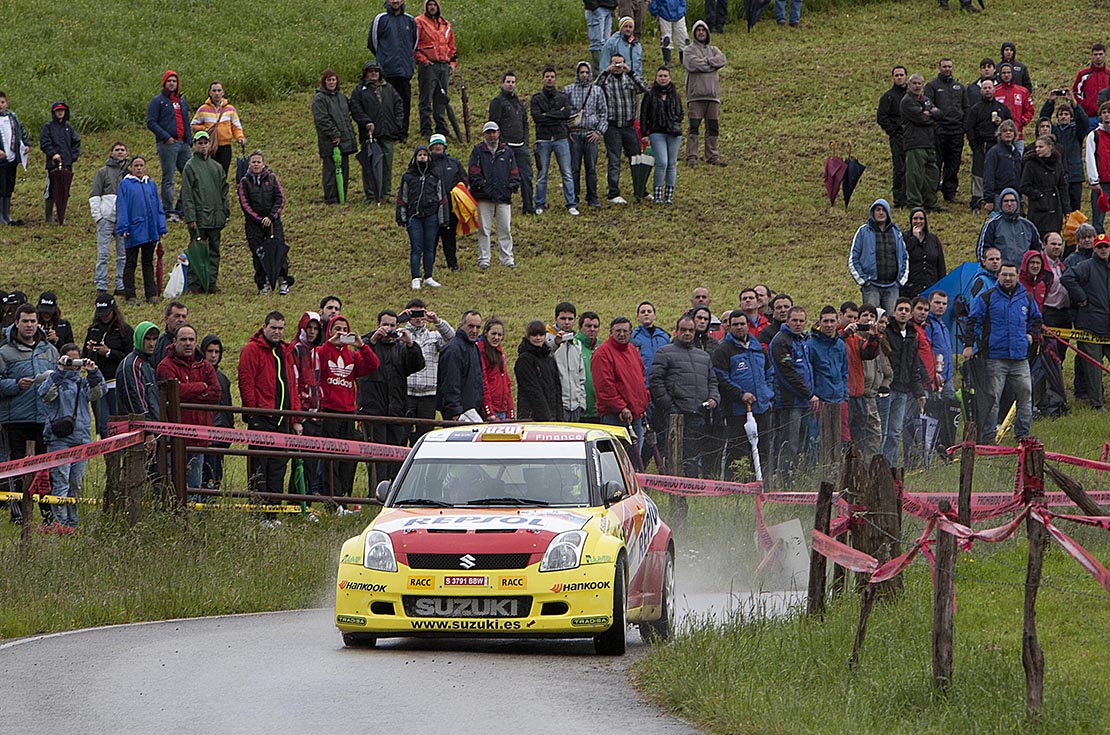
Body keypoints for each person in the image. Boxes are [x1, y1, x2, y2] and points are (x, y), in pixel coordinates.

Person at [962, 263, 1042, 440]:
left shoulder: (1026, 298)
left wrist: (1031, 335)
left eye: (1011, 275)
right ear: (998, 276)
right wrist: (969, 345)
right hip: (995, 357)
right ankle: (988, 437)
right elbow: (973, 321)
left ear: (1017, 277)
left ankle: (1023, 435)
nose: (1008, 278)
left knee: (1026, 397)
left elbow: (1037, 319)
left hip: (1020, 358)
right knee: (992, 400)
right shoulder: (987, 297)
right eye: (1004, 275)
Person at [1, 305, 60, 525]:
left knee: (45, 469)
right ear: (16, 323)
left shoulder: (50, 350)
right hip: (15, 418)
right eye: (25, 321)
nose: (29, 325)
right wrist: (15, 385)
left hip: (44, 418)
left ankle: (48, 514)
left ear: (38, 324)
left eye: (32, 321)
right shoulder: (4, 352)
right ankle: (18, 514)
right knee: (15, 467)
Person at [37, 343, 104, 531]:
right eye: (69, 359)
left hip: (81, 438)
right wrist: (60, 371)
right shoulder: (53, 378)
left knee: (76, 484)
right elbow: (44, 394)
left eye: (76, 360)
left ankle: (72, 525)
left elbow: (99, 392)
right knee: (61, 481)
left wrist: (93, 373)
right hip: (59, 438)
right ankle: (60, 523)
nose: (73, 364)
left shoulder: (83, 382)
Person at [239, 311, 303, 495]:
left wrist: (296, 418)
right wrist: (252, 413)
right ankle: (259, 510)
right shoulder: (252, 350)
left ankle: (273, 512)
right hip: (263, 417)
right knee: (259, 466)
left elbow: (292, 384)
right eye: (273, 328)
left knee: (278, 466)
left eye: (281, 328)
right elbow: (246, 382)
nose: (277, 332)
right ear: (265, 327)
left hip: (283, 419)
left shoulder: (286, 351)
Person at [316, 315, 380, 497]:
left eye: (344, 329)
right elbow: (318, 360)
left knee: (347, 458)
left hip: (348, 412)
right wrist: (330, 343)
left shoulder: (352, 354)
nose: (341, 332)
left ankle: (343, 495)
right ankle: (331, 497)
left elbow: (373, 365)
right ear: (330, 330)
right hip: (329, 411)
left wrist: (362, 345)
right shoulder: (323, 350)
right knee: (331, 459)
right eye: (337, 328)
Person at [649, 313, 719, 478]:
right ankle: (673, 489)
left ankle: (692, 489)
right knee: (673, 454)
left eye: (690, 330)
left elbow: (713, 381)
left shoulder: (704, 356)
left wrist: (714, 398)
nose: (687, 333)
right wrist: (669, 406)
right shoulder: (664, 352)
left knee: (693, 455)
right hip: (675, 414)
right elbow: (655, 381)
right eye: (683, 330)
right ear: (676, 331)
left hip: (698, 413)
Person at [359, 310, 425, 480]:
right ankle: (376, 493)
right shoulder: (368, 344)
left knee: (396, 456)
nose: (388, 329)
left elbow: (417, 364)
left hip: (396, 410)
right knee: (377, 457)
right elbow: (359, 357)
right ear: (377, 326)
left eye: (392, 325)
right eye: (384, 325)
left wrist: (411, 344)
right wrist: (373, 340)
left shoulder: (402, 348)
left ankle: (393, 492)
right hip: (374, 411)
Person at [156, 323, 220, 492]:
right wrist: (201, 387)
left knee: (194, 485)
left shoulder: (204, 365)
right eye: (183, 339)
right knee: (172, 484)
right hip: (174, 436)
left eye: (191, 339)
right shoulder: (165, 365)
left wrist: (187, 390)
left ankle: (192, 517)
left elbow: (216, 392)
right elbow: (173, 392)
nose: (188, 343)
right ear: (175, 341)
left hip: (198, 434)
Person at [712, 311, 773, 481]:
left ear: (748, 325)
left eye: (742, 324)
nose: (739, 327)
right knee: (738, 449)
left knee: (763, 449)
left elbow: (769, 373)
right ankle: (735, 485)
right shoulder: (723, 350)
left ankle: (762, 483)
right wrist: (740, 394)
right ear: (729, 326)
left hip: (760, 408)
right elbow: (721, 377)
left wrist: (768, 394)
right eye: (735, 324)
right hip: (737, 411)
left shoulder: (758, 348)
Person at [1060, 233, 1110, 411]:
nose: (1103, 250)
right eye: (1100, 247)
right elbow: (1066, 278)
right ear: (1094, 249)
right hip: (1090, 325)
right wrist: (1081, 297)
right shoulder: (1086, 266)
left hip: (1108, 326)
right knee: (1093, 368)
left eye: (1106, 246)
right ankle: (1097, 403)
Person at [592, 316, 651, 453]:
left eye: (625, 331)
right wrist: (621, 407)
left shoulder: (631, 350)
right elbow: (604, 386)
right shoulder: (602, 353)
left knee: (635, 459)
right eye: (618, 331)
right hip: (616, 415)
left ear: (631, 333)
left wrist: (644, 402)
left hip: (636, 414)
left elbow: (641, 377)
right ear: (610, 332)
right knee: (618, 458)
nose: (622, 334)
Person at [880, 298, 928, 466]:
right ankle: (880, 466)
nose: (903, 312)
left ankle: (891, 469)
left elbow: (914, 365)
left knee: (894, 432)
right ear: (894, 312)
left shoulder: (912, 334)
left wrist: (919, 392)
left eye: (907, 310)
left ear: (910, 314)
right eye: (900, 309)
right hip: (886, 388)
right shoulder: (886, 332)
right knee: (883, 432)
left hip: (903, 389)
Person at [350, 61, 406, 203]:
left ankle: (385, 194)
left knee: (387, 166)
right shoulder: (359, 91)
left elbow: (399, 104)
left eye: (376, 71)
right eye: (371, 71)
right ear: (365, 74)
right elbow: (356, 109)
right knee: (370, 166)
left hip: (387, 133)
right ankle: (371, 195)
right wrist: (366, 122)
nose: (374, 73)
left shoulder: (388, 88)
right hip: (369, 135)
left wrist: (397, 123)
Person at [770, 306, 815, 482]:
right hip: (789, 402)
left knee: (805, 444)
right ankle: (785, 480)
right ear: (787, 321)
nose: (798, 324)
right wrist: (808, 394)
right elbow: (787, 373)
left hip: (804, 401)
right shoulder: (781, 341)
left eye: (801, 321)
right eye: (794, 320)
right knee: (790, 444)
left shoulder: (802, 340)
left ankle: (800, 478)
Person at [181, 130, 229, 294]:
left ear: (210, 144)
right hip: (199, 218)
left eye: (205, 143)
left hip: (215, 217)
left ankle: (211, 283)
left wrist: (225, 211)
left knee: (214, 251)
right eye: (199, 143)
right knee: (197, 251)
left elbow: (224, 191)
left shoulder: (217, 167)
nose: (203, 146)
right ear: (194, 145)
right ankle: (195, 285)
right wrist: (191, 217)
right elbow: (186, 194)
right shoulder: (190, 166)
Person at [239, 150, 292, 295]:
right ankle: (263, 283)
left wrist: (271, 217)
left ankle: (283, 281)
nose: (256, 164)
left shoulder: (272, 178)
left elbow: (280, 199)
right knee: (258, 254)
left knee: (278, 252)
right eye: (253, 162)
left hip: (273, 223)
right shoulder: (244, 182)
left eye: (258, 162)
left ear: (263, 163)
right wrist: (259, 219)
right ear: (249, 164)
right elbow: (245, 204)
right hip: (253, 225)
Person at [115, 156, 167, 306]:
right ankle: (130, 295)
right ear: (131, 167)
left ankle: (151, 294)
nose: (138, 168)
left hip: (149, 231)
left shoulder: (150, 184)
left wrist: (160, 226)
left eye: (141, 165)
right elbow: (122, 207)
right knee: (130, 263)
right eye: (136, 165)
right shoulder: (125, 185)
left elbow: (157, 206)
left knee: (148, 263)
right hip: (133, 230)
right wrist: (124, 227)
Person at [597, 54, 648, 204]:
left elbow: (644, 88)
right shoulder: (606, 80)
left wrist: (630, 71)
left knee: (636, 159)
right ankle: (613, 193)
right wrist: (606, 71)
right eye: (615, 63)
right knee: (614, 160)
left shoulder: (630, 79)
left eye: (620, 63)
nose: (618, 67)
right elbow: (595, 89)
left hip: (629, 126)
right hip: (612, 126)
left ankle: (640, 189)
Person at [468, 122, 520, 269]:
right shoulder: (478, 151)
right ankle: (484, 258)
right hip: (484, 196)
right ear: (484, 134)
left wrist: (512, 185)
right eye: (488, 132)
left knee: (505, 229)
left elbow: (514, 171)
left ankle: (507, 258)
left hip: (503, 196)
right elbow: (473, 171)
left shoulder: (507, 151)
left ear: (498, 133)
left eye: (494, 132)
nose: (491, 135)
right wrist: (482, 186)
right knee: (484, 229)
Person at [401, 300, 454, 439]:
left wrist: (437, 321)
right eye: (414, 313)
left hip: (429, 395)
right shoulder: (400, 334)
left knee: (424, 435)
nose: (418, 318)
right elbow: (385, 336)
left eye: (421, 313)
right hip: (406, 392)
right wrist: (399, 320)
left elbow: (452, 339)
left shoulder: (434, 335)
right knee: (401, 433)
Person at [82, 293, 132, 437]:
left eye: (107, 314)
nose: (104, 317)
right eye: (101, 314)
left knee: (118, 424)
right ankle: (109, 458)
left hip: (116, 383)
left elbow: (129, 357)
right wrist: (90, 351)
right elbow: (83, 356)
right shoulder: (93, 329)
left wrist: (109, 352)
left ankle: (121, 455)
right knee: (103, 426)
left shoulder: (124, 330)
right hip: (98, 383)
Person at [397, 145, 446, 290]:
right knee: (416, 247)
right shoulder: (408, 177)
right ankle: (415, 277)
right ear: (415, 158)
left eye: (425, 154)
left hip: (431, 216)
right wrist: (401, 216)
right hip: (414, 217)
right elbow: (402, 197)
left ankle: (429, 276)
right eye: (420, 155)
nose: (422, 157)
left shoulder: (435, 175)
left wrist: (443, 218)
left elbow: (441, 197)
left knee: (430, 247)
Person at [368, 0, 419, 141]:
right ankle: (389, 132)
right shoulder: (380, 20)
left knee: (404, 103)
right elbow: (373, 43)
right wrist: (384, 59)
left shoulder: (410, 20)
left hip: (404, 71)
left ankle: (403, 133)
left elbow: (413, 43)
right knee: (387, 103)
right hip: (387, 71)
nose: (395, 1)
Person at [531, 66, 578, 216]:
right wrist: (556, 115)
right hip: (543, 138)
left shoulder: (563, 97)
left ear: (555, 79)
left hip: (560, 137)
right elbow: (537, 117)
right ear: (543, 79)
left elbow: (566, 114)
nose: (550, 79)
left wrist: (548, 115)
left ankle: (571, 204)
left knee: (567, 172)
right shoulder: (536, 98)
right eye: (547, 76)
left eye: (552, 76)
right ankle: (539, 203)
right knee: (542, 174)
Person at [146, 71, 191, 223]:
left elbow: (186, 120)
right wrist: (166, 137)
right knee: (169, 177)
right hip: (168, 144)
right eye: (169, 81)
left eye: (174, 81)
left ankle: (181, 208)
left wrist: (189, 140)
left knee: (190, 175)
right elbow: (151, 122)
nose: (172, 83)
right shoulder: (157, 101)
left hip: (183, 143)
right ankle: (167, 209)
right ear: (164, 83)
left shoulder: (182, 101)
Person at [849, 199, 908, 313]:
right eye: (878, 210)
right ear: (873, 212)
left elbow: (905, 257)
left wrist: (900, 281)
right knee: (870, 321)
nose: (881, 213)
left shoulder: (896, 232)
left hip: (892, 287)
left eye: (884, 210)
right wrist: (864, 281)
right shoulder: (863, 231)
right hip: (871, 286)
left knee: (891, 323)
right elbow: (853, 258)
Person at [487, 72, 534, 215]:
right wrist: (500, 144)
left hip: (521, 146)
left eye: (513, 82)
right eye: (508, 81)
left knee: (526, 177)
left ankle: (528, 207)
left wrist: (525, 141)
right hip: (505, 146)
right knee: (502, 178)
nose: (511, 84)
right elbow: (493, 124)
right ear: (502, 83)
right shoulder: (497, 102)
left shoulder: (519, 103)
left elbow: (525, 123)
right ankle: (501, 206)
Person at [564, 61, 608, 210]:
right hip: (574, 135)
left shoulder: (597, 91)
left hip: (590, 134)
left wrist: (598, 131)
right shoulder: (568, 90)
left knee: (591, 168)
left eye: (586, 72)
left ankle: (592, 197)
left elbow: (604, 113)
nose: (584, 75)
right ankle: (573, 197)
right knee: (574, 169)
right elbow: (563, 113)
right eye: (581, 72)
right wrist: (566, 132)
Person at [683, 21, 726, 167]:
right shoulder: (688, 50)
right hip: (695, 96)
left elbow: (722, 60)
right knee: (694, 127)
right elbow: (692, 64)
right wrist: (711, 64)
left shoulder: (714, 49)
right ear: (694, 33)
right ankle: (691, 156)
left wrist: (706, 62)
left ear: (707, 32)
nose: (701, 32)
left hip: (713, 96)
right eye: (698, 30)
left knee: (713, 128)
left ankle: (712, 156)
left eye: (703, 30)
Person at [965, 79, 1011, 214]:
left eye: (989, 88)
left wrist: (1001, 123)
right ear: (981, 91)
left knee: (997, 173)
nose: (987, 90)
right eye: (984, 88)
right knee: (978, 174)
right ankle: (976, 202)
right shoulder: (975, 109)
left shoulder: (1002, 108)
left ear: (994, 89)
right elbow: (969, 128)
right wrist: (974, 145)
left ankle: (998, 199)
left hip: (998, 146)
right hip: (981, 146)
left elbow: (1010, 125)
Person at [843, 304, 883, 458]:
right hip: (847, 395)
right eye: (850, 317)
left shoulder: (857, 339)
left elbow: (869, 353)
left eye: (854, 318)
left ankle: (862, 468)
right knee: (847, 438)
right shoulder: (840, 338)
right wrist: (845, 334)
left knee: (862, 436)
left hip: (860, 394)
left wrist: (874, 336)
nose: (853, 322)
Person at [312, 69, 357, 205]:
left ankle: (342, 196)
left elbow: (347, 117)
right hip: (330, 142)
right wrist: (334, 134)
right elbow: (322, 120)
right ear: (324, 82)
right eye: (329, 80)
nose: (331, 82)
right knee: (330, 170)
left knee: (344, 169)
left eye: (333, 80)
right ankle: (331, 198)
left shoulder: (342, 97)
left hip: (345, 140)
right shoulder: (320, 99)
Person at [291, 310, 324, 492]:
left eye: (315, 329)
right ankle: (297, 503)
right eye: (309, 328)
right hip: (302, 414)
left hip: (316, 414)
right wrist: (297, 416)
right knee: (300, 463)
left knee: (312, 463)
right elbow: (294, 383)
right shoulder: (296, 349)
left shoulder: (316, 352)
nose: (312, 332)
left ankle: (307, 503)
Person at [640, 66, 683, 205]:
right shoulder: (650, 94)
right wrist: (645, 133)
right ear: (656, 78)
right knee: (662, 162)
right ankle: (658, 193)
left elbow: (680, 113)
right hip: (656, 132)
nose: (663, 78)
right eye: (660, 76)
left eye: (665, 76)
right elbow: (644, 115)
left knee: (671, 164)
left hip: (673, 133)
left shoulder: (675, 95)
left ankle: (669, 195)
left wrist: (674, 122)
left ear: (669, 78)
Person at [1040, 90, 1088, 215]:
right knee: (1058, 208)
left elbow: (1084, 121)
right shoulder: (1053, 132)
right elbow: (1043, 120)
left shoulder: (1077, 132)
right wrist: (1050, 102)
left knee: (1075, 209)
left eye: (1066, 114)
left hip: (1075, 175)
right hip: (1057, 174)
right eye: (1061, 114)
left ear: (1071, 117)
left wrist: (1073, 102)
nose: (1063, 116)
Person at [924, 59, 965, 205]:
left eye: (949, 66)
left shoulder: (959, 87)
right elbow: (927, 104)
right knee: (937, 163)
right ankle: (932, 192)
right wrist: (936, 123)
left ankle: (950, 193)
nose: (947, 69)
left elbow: (966, 107)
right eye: (944, 66)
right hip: (939, 132)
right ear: (939, 67)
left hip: (956, 132)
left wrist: (963, 127)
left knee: (953, 163)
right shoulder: (932, 86)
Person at [89, 142, 129, 294]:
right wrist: (98, 217)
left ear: (127, 153)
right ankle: (101, 284)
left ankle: (121, 285)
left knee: (122, 255)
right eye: (117, 150)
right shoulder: (103, 172)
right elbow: (94, 195)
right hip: (106, 219)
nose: (120, 152)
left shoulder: (130, 173)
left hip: (123, 221)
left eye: (122, 150)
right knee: (103, 254)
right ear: (111, 153)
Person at [414, 0, 457, 138]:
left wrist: (452, 63)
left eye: (434, 5)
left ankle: (441, 128)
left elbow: (452, 47)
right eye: (429, 5)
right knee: (426, 98)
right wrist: (424, 61)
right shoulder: (419, 22)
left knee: (441, 98)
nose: (432, 7)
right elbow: (413, 46)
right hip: (428, 65)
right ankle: (426, 129)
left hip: (443, 65)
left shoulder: (446, 25)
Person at [900, 73, 943, 212]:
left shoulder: (925, 100)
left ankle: (930, 202)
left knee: (932, 174)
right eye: (915, 83)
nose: (917, 86)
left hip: (929, 143)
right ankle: (915, 203)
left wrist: (929, 113)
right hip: (914, 143)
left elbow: (940, 115)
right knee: (915, 175)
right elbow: (922, 119)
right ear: (909, 84)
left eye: (920, 83)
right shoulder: (907, 101)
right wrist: (931, 115)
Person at [189, 81, 246, 176]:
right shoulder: (202, 109)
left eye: (219, 90)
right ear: (210, 93)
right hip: (210, 146)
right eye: (214, 91)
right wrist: (205, 129)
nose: (216, 93)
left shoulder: (230, 109)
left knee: (223, 173)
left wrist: (240, 138)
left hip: (225, 146)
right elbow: (193, 126)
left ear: (223, 92)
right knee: (211, 173)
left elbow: (236, 127)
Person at [437, 310, 484, 420]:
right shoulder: (453, 350)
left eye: (478, 327)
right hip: (459, 414)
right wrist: (455, 412)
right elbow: (450, 383)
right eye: (471, 326)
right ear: (461, 325)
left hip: (472, 411)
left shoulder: (474, 348)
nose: (474, 330)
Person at [1021, 134, 1071, 237]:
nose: (1037, 149)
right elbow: (1024, 186)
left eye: (1041, 147)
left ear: (1050, 147)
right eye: (1036, 147)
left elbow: (1063, 187)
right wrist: (1038, 195)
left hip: (1055, 206)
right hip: (1038, 208)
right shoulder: (1031, 164)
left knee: (1054, 236)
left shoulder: (1057, 163)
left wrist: (1066, 209)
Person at [200, 334, 233, 489]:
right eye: (210, 351)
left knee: (215, 475)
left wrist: (229, 432)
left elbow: (227, 408)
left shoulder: (223, 378)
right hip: (203, 434)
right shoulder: (198, 376)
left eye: (217, 352)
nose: (213, 355)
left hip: (220, 434)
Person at [429, 134, 466, 270]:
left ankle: (453, 264)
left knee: (449, 238)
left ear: (444, 146)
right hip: (432, 208)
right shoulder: (426, 163)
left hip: (450, 207)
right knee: (431, 239)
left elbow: (464, 180)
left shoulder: (454, 162)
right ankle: (428, 267)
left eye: (440, 144)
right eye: (435, 145)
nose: (438, 147)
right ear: (431, 147)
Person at [39, 101, 81, 224]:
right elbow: (44, 143)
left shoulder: (69, 128)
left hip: (67, 164)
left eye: (62, 110)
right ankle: (49, 217)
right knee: (51, 190)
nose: (60, 112)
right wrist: (53, 154)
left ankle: (61, 216)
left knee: (64, 190)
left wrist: (72, 157)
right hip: (52, 165)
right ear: (53, 112)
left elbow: (76, 142)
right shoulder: (48, 127)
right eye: (57, 110)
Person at [976, 188, 1041, 264]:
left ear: (1017, 203)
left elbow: (1038, 250)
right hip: (1000, 273)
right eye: (1006, 201)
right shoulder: (992, 224)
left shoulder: (1028, 226)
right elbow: (982, 250)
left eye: (1012, 201)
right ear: (1000, 203)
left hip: (1023, 273)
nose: (1009, 204)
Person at [547, 302, 587, 422]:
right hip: (557, 405)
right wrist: (556, 343)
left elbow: (581, 376)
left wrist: (581, 403)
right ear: (556, 319)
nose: (567, 322)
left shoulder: (576, 343)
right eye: (563, 318)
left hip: (575, 406)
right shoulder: (547, 339)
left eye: (570, 319)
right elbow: (544, 356)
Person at [516, 320, 563, 421]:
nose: (538, 338)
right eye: (534, 335)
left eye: (541, 334)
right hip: (531, 416)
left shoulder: (549, 359)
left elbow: (557, 388)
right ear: (528, 337)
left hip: (552, 414)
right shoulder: (524, 359)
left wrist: (559, 416)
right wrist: (546, 417)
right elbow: (532, 390)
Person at [115, 321, 160, 421]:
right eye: (147, 339)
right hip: (138, 428)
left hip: (153, 425)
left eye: (154, 339)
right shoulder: (132, 365)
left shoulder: (146, 364)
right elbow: (135, 400)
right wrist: (148, 430)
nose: (152, 343)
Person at [877, 66, 908, 209]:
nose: (899, 77)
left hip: (913, 137)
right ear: (893, 77)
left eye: (902, 75)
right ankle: (899, 198)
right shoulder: (888, 97)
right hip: (897, 137)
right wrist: (894, 132)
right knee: (899, 168)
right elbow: (881, 117)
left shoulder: (912, 95)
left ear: (906, 76)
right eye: (897, 75)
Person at [0, 91, 30, 226]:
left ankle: (7, 214)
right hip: (1, 160)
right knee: (1, 186)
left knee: (9, 186)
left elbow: (21, 132)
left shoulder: (13, 117)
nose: (0, 105)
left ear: (7, 103)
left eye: (2, 102)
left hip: (12, 158)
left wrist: (26, 145)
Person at [902, 207, 946, 298]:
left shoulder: (933, 239)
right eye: (915, 218)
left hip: (931, 287)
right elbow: (903, 255)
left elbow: (941, 265)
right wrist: (914, 238)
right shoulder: (904, 237)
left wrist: (942, 285)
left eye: (921, 218)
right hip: (910, 288)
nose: (918, 221)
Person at [982, 120, 1023, 212]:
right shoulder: (994, 152)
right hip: (998, 195)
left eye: (1011, 130)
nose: (1008, 133)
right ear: (1000, 134)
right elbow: (988, 175)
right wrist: (989, 199)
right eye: (1005, 131)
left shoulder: (1016, 153)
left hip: (1015, 195)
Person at [994, 63, 1033, 155]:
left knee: (1018, 162)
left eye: (1008, 72)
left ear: (1013, 74)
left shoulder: (1022, 91)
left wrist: (1023, 120)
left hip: (1018, 135)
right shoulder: (995, 91)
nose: (1006, 75)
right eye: (1004, 73)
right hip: (1000, 136)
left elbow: (1030, 110)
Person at [479, 317, 514, 420]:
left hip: (502, 409)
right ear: (486, 333)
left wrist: (510, 411)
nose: (496, 337)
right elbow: (483, 382)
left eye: (499, 335)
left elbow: (506, 383)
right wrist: (489, 412)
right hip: (491, 410)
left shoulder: (499, 352)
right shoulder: (481, 351)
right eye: (493, 334)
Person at [1085, 101, 1110, 234]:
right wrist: (1094, 180)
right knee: (1098, 221)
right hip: (1102, 185)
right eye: (1104, 112)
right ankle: (1102, 247)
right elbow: (1090, 158)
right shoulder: (1094, 136)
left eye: (1109, 112)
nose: (1107, 115)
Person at [1073, 43, 1109, 122]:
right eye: (1095, 54)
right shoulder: (1083, 74)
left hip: (1107, 116)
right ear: (1091, 56)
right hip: (1089, 117)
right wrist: (1086, 105)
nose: (1098, 57)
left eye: (1100, 54)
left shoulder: (1109, 74)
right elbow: (1075, 93)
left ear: (1105, 55)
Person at [649, 0, 689, 67]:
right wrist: (655, 11)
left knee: (683, 38)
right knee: (666, 39)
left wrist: (682, 10)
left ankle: (684, 61)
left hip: (679, 14)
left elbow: (683, 2)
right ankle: (667, 62)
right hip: (664, 13)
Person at [585, 0, 619, 72]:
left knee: (607, 42)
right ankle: (599, 70)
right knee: (597, 42)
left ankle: (605, 68)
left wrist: (614, 6)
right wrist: (594, 7)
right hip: (596, 9)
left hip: (609, 8)